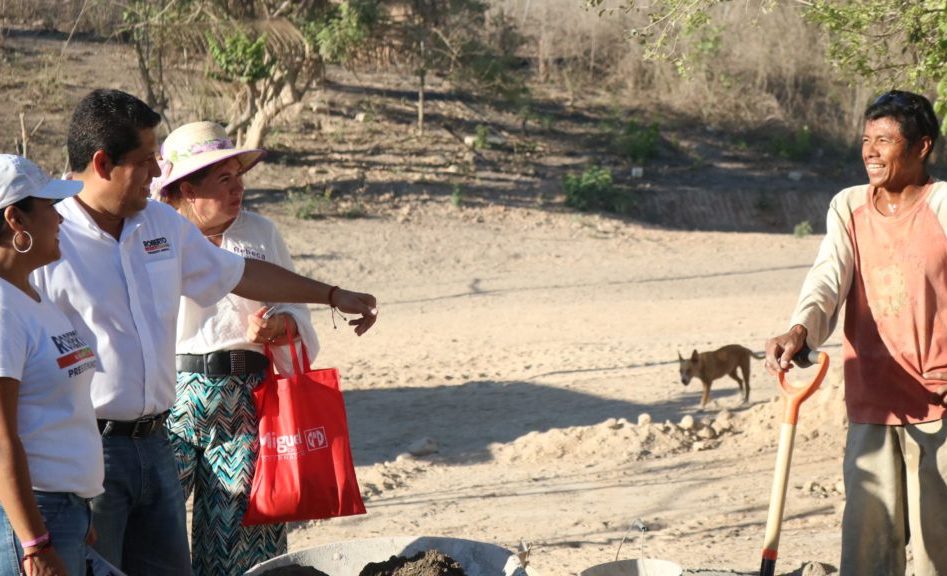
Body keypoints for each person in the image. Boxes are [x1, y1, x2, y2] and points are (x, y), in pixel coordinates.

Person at [32, 88, 377, 575]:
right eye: (147, 161)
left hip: (157, 440)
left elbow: (238, 273)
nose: (156, 173)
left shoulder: (157, 225)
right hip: (93, 448)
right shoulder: (50, 236)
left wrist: (331, 294)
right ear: (103, 163)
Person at [765, 90, 947, 575]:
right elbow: (828, 277)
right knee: (868, 548)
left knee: (939, 547)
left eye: (884, 140)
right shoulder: (848, 207)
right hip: (873, 399)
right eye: (866, 139)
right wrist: (801, 329)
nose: (870, 151)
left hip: (942, 401)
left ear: (921, 146)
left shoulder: (944, 204)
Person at [150, 120, 320, 576]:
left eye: (238, 176)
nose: (237, 188)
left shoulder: (261, 233)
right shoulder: (155, 234)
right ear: (187, 188)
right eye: (223, 179)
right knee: (150, 524)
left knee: (236, 537)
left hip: (247, 399)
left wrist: (280, 326)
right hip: (174, 399)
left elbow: (297, 311)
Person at [0, 155, 99, 576]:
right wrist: (36, 542)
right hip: (32, 521)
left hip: (61, 514)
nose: (61, 219)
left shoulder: (32, 300)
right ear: (16, 219)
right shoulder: (3, 311)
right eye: (50, 207)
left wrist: (79, 511)